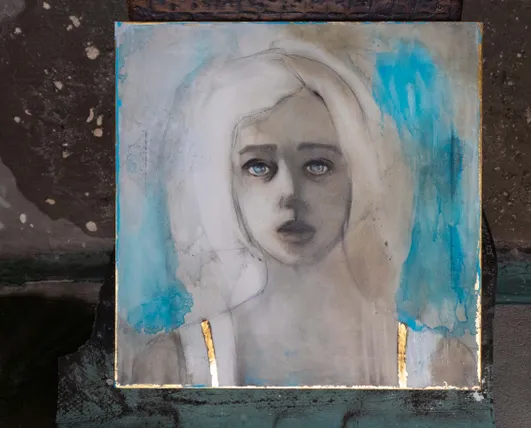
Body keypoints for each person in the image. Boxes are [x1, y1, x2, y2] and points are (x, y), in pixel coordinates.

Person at [128, 40, 415, 387]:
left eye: (318, 165)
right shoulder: (174, 364)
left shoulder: (432, 364)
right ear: (227, 183)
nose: (290, 193)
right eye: (259, 166)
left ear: (358, 175)